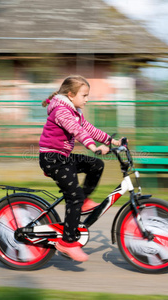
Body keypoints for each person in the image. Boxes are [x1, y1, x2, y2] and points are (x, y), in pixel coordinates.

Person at [39, 75, 121, 262]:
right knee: (73, 196)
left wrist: (112, 141)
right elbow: (77, 131)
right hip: (52, 159)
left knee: (96, 165)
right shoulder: (61, 111)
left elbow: (89, 129)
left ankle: (83, 201)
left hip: (63, 157)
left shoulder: (74, 111)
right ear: (70, 94)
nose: (86, 99)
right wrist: (93, 147)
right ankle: (67, 242)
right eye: (84, 95)